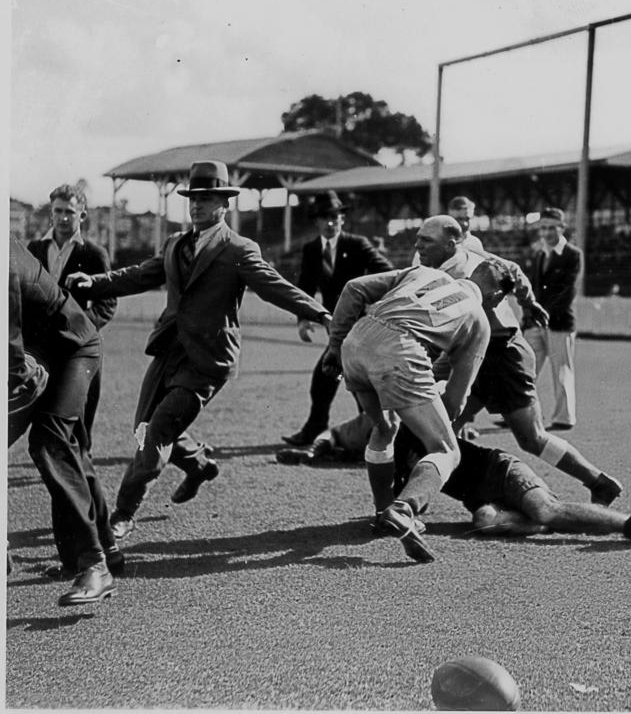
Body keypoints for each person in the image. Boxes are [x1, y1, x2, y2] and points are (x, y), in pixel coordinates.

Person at [68, 161, 333, 542]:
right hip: (168, 351)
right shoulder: (176, 243)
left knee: (157, 431)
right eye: (194, 199)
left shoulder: (239, 249)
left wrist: (320, 312)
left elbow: (276, 286)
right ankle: (199, 465)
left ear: (224, 204)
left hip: (208, 360)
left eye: (207, 199)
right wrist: (93, 283)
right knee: (145, 428)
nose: (197, 206)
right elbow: (140, 274)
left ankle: (123, 513)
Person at [414, 215, 624, 506]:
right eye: (419, 238)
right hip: (472, 355)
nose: (418, 245)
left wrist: (529, 302)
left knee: (531, 438)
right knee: (442, 426)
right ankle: (418, 497)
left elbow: (510, 272)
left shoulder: (467, 266)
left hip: (501, 356)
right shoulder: (435, 262)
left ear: (450, 244)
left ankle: (599, 482)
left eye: (426, 241)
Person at [321, 257, 514, 562]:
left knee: (384, 427)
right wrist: (436, 409)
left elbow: (353, 288)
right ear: (497, 296)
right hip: (399, 352)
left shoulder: (424, 272)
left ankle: (383, 511)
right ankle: (404, 508)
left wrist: (334, 345)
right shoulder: (478, 320)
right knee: (447, 450)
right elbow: (456, 401)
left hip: (356, 342)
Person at [9, 239, 122, 606]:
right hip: (40, 350)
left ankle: (95, 566)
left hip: (75, 346)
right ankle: (108, 547)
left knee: (50, 441)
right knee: (70, 447)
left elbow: (9, 335)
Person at [392, 426, 631, 548]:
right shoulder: (397, 449)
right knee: (484, 521)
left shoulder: (421, 422)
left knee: (546, 509)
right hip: (479, 498)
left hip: (501, 470)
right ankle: (544, 525)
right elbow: (420, 500)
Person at [282, 190, 392, 446]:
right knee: (338, 378)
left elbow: (387, 272)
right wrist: (303, 318)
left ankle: (370, 431)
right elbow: (305, 286)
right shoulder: (311, 250)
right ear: (316, 221)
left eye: (334, 216)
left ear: (342, 219)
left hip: (361, 326)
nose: (330, 222)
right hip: (336, 328)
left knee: (335, 377)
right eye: (324, 217)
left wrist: (368, 299)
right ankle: (365, 430)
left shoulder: (358, 245)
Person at [28, 184, 117, 446]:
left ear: (82, 215)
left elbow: (107, 304)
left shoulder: (94, 254)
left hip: (79, 347)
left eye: (70, 211)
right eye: (58, 211)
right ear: (51, 213)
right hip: (41, 346)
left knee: (81, 416)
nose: (64, 217)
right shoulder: (34, 249)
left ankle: (81, 464)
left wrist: (81, 330)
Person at [523, 207, 580, 430]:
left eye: (550, 227)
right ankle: (519, 414)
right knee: (525, 368)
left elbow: (567, 291)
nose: (546, 232)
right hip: (536, 323)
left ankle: (564, 418)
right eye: (543, 227)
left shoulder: (572, 255)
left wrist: (542, 314)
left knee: (561, 371)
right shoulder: (539, 254)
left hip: (559, 322)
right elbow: (534, 290)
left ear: (562, 228)